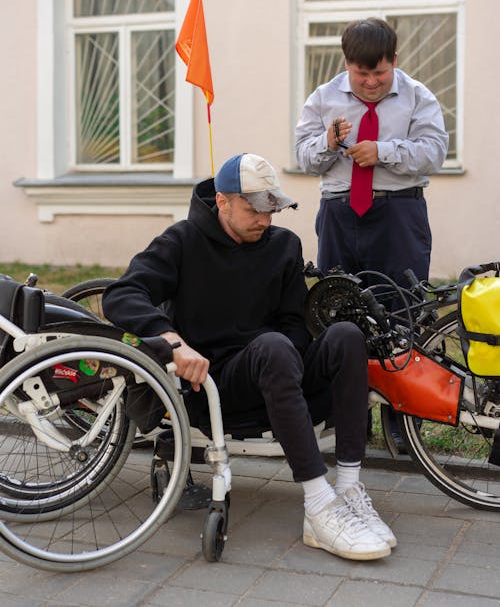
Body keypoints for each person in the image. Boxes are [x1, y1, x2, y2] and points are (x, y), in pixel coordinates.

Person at [103, 152, 395, 561]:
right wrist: (173, 342)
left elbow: (294, 323)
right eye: (253, 209)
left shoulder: (283, 245)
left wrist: (291, 365)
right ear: (222, 201)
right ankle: (318, 504)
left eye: (271, 208)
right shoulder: (182, 240)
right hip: (218, 385)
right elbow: (121, 295)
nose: (265, 219)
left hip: (280, 377)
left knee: (345, 336)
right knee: (272, 347)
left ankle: (347, 490)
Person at [295, 17, 449, 450]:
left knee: (402, 314)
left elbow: (435, 152)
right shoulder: (323, 99)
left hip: (399, 214)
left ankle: (400, 416)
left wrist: (382, 152)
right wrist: (327, 142)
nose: (370, 83)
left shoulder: (418, 97)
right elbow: (303, 157)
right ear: (347, 65)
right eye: (361, 74)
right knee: (339, 314)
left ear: (394, 61)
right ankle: (349, 416)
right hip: (340, 215)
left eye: (379, 73)